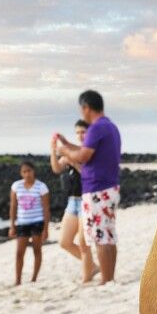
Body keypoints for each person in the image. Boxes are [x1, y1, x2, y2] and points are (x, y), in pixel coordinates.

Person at [54, 90, 121, 284]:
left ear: (86, 107)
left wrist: (63, 150)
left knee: (100, 236)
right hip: (108, 186)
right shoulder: (110, 126)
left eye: (81, 109)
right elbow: (86, 151)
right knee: (108, 234)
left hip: (97, 189)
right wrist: (67, 143)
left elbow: (83, 156)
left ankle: (106, 279)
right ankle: (110, 277)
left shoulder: (96, 128)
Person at [49, 120, 97, 282]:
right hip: (73, 201)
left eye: (83, 132)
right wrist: (53, 150)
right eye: (77, 132)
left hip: (88, 200)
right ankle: (92, 267)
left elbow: (90, 176)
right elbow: (56, 169)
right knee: (64, 242)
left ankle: (87, 277)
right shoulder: (72, 151)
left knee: (84, 244)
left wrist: (72, 160)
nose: (80, 135)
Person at [9, 161, 51, 285]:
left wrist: (46, 229)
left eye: (29, 171)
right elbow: (13, 206)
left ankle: (34, 278)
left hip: (37, 222)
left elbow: (46, 208)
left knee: (36, 250)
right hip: (22, 222)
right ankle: (18, 280)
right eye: (24, 171)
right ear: (21, 173)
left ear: (33, 171)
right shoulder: (16, 186)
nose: (27, 174)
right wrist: (12, 225)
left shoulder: (41, 187)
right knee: (19, 253)